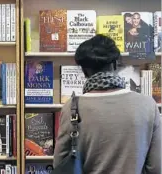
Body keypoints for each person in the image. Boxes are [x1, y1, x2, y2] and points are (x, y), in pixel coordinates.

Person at [53, 34, 161, 174]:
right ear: (115, 64)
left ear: (84, 71)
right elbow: (156, 167)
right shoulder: (148, 105)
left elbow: (60, 163)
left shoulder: (72, 108)